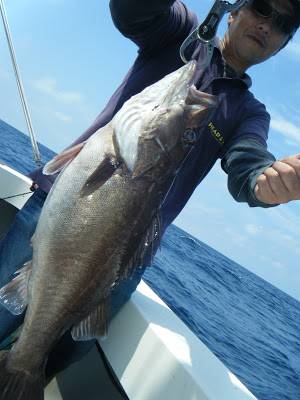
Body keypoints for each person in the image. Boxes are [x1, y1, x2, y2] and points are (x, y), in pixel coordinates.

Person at [1, 0, 300, 382]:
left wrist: (267, 184)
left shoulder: (249, 112)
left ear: (281, 45)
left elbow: (249, 164)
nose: (266, 25)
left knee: (50, 361)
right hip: (59, 214)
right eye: (261, 8)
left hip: (125, 258)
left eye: (282, 24)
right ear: (233, 11)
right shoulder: (181, 35)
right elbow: (134, 9)